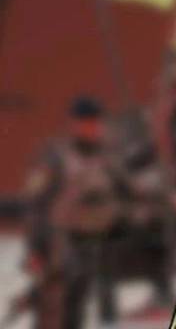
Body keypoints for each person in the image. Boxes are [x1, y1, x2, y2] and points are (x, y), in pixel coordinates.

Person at [20, 96, 127, 328]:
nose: (94, 129)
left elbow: (124, 191)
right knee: (53, 310)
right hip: (58, 245)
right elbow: (35, 205)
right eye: (88, 123)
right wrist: (35, 249)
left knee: (76, 310)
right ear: (75, 124)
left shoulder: (103, 155)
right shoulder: (55, 156)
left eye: (97, 123)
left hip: (91, 245)